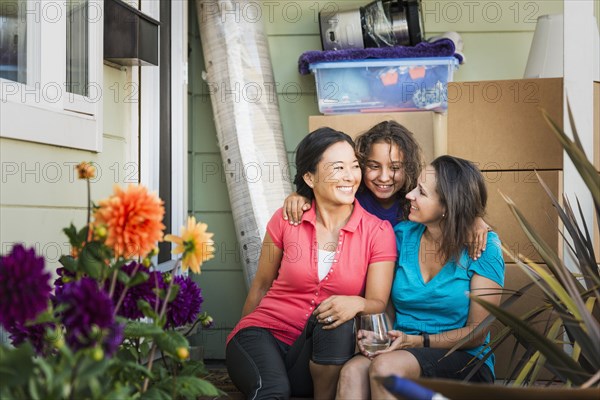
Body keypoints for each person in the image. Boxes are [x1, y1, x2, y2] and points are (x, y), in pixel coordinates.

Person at [226, 127, 397, 399]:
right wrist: (249, 353)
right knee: (273, 390)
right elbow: (261, 285)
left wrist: (357, 302)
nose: (350, 176)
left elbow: (377, 301)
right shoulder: (286, 220)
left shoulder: (378, 232)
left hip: (318, 355)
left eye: (354, 166)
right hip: (263, 335)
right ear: (310, 177)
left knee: (338, 315)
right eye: (338, 167)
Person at [336, 155, 505, 399]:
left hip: (462, 357)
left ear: (448, 206)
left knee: (386, 369)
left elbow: (476, 333)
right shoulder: (402, 236)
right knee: (352, 371)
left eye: (421, 192)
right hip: (400, 345)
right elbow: (389, 308)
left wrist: (415, 341)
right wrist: (378, 334)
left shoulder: (484, 248)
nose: (409, 195)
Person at [283, 121, 490, 259]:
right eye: (373, 166)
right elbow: (321, 194)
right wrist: (300, 195)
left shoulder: (414, 201)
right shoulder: (351, 195)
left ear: (407, 168)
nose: (383, 177)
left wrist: (473, 218)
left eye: (395, 168)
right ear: (360, 164)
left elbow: (450, 203)